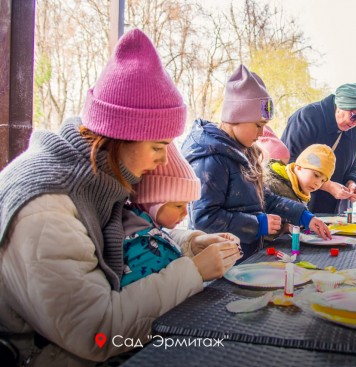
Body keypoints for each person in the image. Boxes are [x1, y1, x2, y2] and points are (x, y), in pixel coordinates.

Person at [0, 29, 241, 366]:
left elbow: (122, 236)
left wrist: (190, 244)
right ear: (120, 135)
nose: (162, 160)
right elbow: (96, 331)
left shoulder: (94, 177)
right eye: (158, 147)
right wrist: (192, 273)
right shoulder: (47, 211)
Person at [181, 64, 332, 260]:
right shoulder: (210, 159)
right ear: (236, 116)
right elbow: (204, 219)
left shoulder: (247, 153)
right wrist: (257, 224)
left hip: (244, 257)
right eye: (258, 125)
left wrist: (304, 216)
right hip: (216, 262)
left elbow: (265, 199)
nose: (262, 133)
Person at [121, 143, 242, 287]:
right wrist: (196, 271)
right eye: (178, 206)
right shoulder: (138, 243)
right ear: (152, 203)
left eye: (187, 205)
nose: (185, 213)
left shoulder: (152, 231)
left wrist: (195, 243)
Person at [281, 83, 356, 214]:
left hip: (333, 212)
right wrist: (327, 185)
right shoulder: (307, 117)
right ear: (341, 106)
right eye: (354, 116)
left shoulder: (353, 130)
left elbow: (353, 164)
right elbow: (288, 162)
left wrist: (352, 182)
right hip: (299, 207)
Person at [264, 144, 336, 204]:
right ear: (299, 167)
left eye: (323, 181)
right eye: (316, 175)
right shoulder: (272, 186)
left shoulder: (300, 192)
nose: (318, 184)